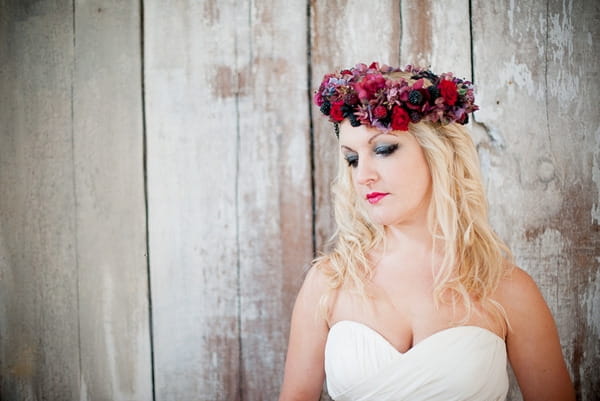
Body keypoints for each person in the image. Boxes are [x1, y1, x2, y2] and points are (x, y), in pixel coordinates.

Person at [278, 62, 575, 401]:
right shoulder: (329, 282)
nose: (363, 176)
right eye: (352, 159)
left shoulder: (507, 288)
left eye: (383, 149)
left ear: (439, 153)